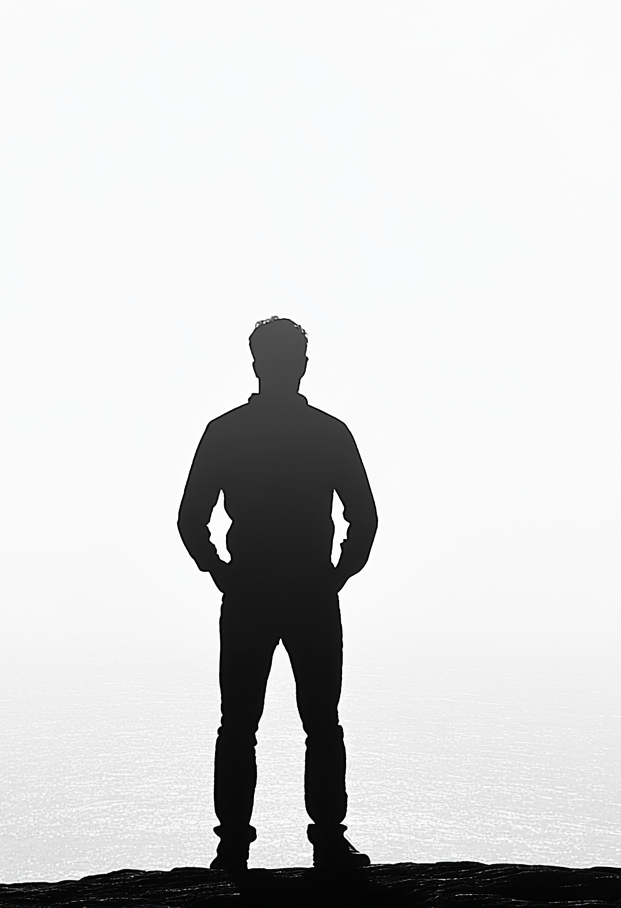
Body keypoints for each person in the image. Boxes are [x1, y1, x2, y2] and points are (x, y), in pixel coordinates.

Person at [177, 316, 378, 874]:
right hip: (310, 591)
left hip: (250, 593)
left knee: (240, 722)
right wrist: (337, 573)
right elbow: (364, 518)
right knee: (319, 721)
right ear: (301, 363)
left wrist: (219, 569)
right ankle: (326, 841)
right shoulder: (328, 432)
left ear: (257, 362)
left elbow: (192, 520)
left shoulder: (226, 431)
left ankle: (233, 848)